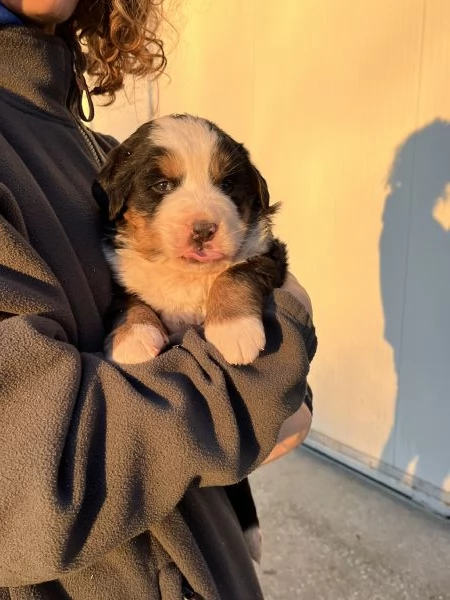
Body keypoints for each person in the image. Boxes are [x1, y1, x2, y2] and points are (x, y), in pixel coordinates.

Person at [0, 1, 317, 598]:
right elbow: (29, 485)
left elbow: (264, 274)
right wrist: (256, 384)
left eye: (225, 185)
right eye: (165, 184)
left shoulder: (86, 139)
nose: (201, 213)